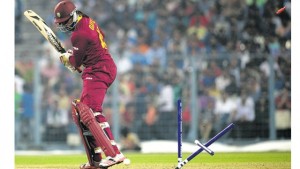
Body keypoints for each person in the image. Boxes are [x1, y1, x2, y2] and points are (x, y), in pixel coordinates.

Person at [53, 1, 125, 168]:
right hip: (101, 67)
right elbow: (96, 42)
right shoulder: (87, 20)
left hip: (99, 70)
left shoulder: (79, 34)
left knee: (91, 112)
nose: (63, 25)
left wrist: (67, 59)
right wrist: (74, 56)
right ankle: (95, 160)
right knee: (81, 114)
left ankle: (114, 154)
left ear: (72, 15)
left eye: (64, 21)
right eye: (60, 23)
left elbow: (75, 63)